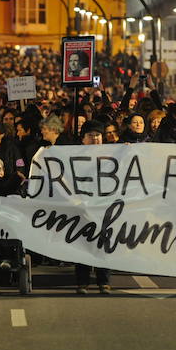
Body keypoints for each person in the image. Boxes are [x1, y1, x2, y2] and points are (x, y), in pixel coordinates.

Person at [74, 120, 111, 294]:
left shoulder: (112, 155)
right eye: (91, 136)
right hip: (82, 205)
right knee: (83, 244)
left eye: (98, 135)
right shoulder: (73, 156)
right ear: (83, 139)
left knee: (103, 243)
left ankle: (104, 281)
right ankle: (83, 282)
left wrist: (128, 151)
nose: (95, 139)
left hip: (104, 205)